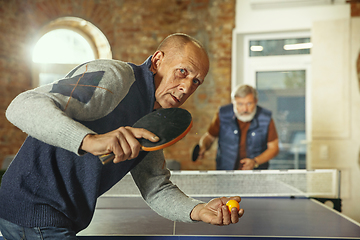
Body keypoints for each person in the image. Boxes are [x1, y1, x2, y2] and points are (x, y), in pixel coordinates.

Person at [0, 33, 244, 239]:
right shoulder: (113, 78)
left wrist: (199, 210)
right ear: (158, 61)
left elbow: (156, 188)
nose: (187, 87)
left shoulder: (151, 119)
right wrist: (90, 140)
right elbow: (21, 105)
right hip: (33, 211)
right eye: (182, 72)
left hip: (58, 218)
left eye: (196, 82)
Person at [196, 84, 279, 170]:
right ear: (233, 102)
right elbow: (209, 137)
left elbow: (274, 148)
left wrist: (255, 161)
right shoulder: (222, 114)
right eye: (240, 104)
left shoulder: (266, 118)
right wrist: (203, 146)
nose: (245, 109)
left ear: (256, 101)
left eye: (249, 103)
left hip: (256, 174)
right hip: (225, 172)